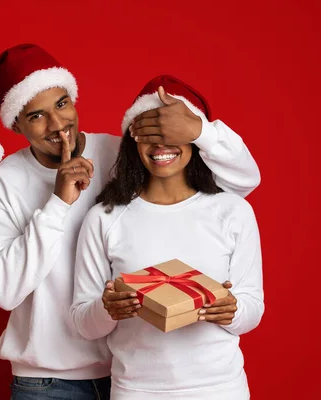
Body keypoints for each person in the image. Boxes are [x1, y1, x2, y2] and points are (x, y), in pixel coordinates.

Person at [0, 44, 261, 400]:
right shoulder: (1, 184)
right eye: (37, 115)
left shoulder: (119, 155)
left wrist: (200, 131)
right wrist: (57, 203)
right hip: (49, 381)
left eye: (62, 104)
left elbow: (240, 184)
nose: (57, 124)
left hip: (130, 373)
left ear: (74, 99)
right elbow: (4, 291)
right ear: (16, 123)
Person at [71, 75, 264, 399]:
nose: (160, 145)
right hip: (136, 391)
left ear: (194, 138)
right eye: (148, 133)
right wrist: (108, 309)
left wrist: (234, 311)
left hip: (221, 390)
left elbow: (252, 307)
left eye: (172, 133)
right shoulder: (104, 218)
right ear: (132, 140)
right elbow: (83, 323)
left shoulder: (233, 211)